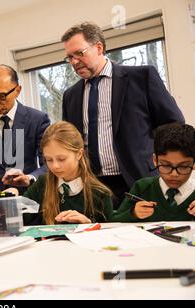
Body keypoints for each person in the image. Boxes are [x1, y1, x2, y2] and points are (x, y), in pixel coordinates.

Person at [61, 22, 185, 208]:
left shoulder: (142, 77)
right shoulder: (70, 96)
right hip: (95, 187)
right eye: (69, 57)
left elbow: (173, 124)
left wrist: (160, 161)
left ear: (99, 47)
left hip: (140, 180)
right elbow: (70, 143)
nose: (74, 62)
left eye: (79, 53)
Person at [0, 65, 50, 190]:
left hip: (30, 197)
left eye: (1, 96)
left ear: (17, 90)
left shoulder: (38, 120)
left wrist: (29, 178)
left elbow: (49, 164)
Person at [22, 121, 113, 225]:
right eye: (49, 160)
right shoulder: (42, 184)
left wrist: (88, 225)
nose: (55, 166)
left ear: (79, 154)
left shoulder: (100, 193)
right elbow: (18, 217)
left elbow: (109, 236)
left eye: (61, 159)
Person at [112, 123, 195, 222]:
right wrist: (133, 213)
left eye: (183, 166)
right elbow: (115, 220)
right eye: (166, 165)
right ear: (155, 160)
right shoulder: (142, 187)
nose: (174, 174)